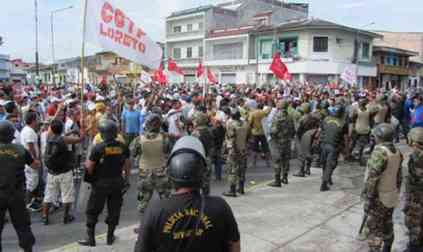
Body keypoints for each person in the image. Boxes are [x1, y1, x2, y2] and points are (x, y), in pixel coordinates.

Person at [134, 136, 241, 252]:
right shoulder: (220, 207)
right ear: (203, 174)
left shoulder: (155, 210)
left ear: (170, 174)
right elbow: (234, 244)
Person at [78, 120, 131, 247]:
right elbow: (127, 164)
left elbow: (90, 167)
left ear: (102, 134)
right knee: (114, 210)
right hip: (117, 182)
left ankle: (90, 238)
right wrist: (126, 179)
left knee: (93, 211)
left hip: (100, 184)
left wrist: (89, 174)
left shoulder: (98, 148)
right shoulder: (123, 146)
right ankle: (110, 236)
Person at [362, 123, 402, 252]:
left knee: (374, 228)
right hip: (391, 195)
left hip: (379, 197)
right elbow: (399, 176)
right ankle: (387, 247)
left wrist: (368, 198)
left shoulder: (380, 152)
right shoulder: (397, 151)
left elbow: (373, 178)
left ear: (379, 136)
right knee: (387, 223)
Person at [0, 120, 39, 252]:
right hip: (16, 194)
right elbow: (34, 165)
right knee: (22, 225)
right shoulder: (20, 149)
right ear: (12, 135)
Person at [41, 119, 84, 225]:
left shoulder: (48, 137)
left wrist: (69, 132)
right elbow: (80, 139)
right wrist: (81, 129)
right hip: (64, 171)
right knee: (66, 194)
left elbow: (58, 133)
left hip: (51, 171)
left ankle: (45, 216)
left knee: (48, 195)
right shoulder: (64, 140)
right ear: (62, 129)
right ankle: (66, 216)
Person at [131, 114, 170, 215]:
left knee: (143, 204)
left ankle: (144, 227)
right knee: (167, 203)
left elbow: (133, 153)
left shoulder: (139, 139)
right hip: (162, 173)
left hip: (144, 174)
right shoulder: (165, 138)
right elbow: (168, 151)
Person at [319, 103, 348, 192]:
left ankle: (327, 177)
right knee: (331, 164)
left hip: (323, 144)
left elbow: (320, 130)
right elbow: (346, 137)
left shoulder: (326, 119)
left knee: (325, 163)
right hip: (334, 146)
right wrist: (346, 149)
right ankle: (324, 183)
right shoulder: (343, 123)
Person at [404, 127, 423, 252]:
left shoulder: (417, 156)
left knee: (414, 222)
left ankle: (414, 246)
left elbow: (416, 179)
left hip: (417, 196)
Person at [268, 101, 295, 187]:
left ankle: (277, 180)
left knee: (277, 160)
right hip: (287, 141)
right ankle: (285, 177)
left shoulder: (278, 116)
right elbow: (293, 130)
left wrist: (269, 132)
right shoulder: (290, 116)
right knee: (286, 160)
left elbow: (274, 131)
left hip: (278, 141)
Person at [223, 108, 249, 197]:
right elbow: (248, 137)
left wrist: (228, 150)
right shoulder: (245, 123)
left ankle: (232, 190)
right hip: (243, 149)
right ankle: (241, 188)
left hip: (234, 150)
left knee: (232, 170)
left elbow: (231, 139)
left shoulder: (231, 125)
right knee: (242, 169)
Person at [20, 111, 41, 211]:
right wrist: (35, 159)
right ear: (33, 120)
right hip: (30, 161)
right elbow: (30, 146)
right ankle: (28, 204)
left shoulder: (28, 129)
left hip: (29, 160)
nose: (38, 121)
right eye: (37, 119)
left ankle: (32, 200)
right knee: (31, 183)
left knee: (33, 182)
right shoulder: (29, 131)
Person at [191, 109, 215, 195]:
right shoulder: (209, 130)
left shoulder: (195, 133)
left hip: (198, 160)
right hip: (207, 158)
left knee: (197, 182)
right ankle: (206, 199)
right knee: (206, 183)